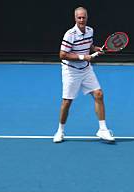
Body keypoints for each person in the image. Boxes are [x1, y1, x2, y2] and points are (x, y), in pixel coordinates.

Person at [53, 7, 114, 143]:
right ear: (75, 19)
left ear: (87, 17)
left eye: (83, 17)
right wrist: (83, 57)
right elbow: (62, 55)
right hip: (71, 71)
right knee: (67, 102)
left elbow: (89, 46)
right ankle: (60, 131)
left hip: (86, 70)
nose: (81, 20)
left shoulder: (90, 30)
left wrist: (96, 49)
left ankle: (102, 129)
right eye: (79, 18)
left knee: (99, 94)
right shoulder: (70, 34)